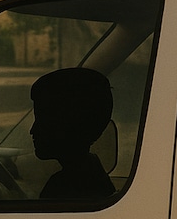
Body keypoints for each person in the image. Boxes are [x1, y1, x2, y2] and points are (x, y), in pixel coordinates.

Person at [30, 67, 116, 200]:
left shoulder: (64, 190)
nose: (32, 130)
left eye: (42, 121)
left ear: (68, 125)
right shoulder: (93, 174)